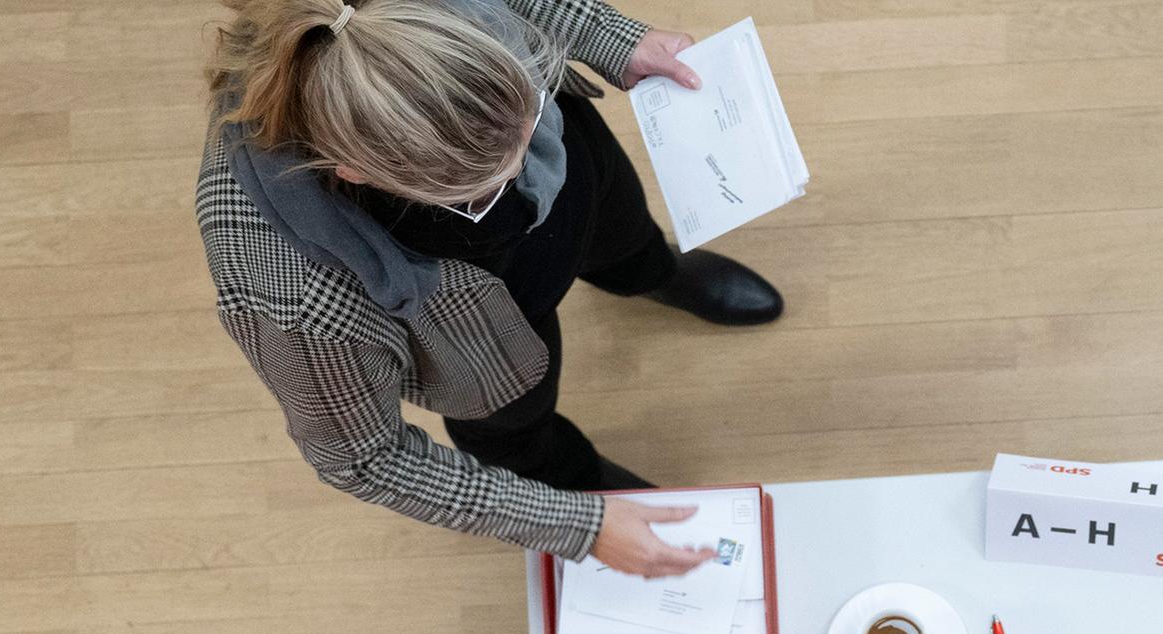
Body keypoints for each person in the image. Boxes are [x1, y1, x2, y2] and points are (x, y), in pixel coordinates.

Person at [199, 0, 781, 579]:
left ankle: (650, 272)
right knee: (515, 429)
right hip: (471, 328)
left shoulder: (525, 126)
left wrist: (613, 39)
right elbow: (366, 459)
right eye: (487, 184)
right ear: (356, 171)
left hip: (573, 177)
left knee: (619, 230)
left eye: (525, 112)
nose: (531, 157)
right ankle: (577, 484)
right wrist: (576, 524)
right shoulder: (284, 289)